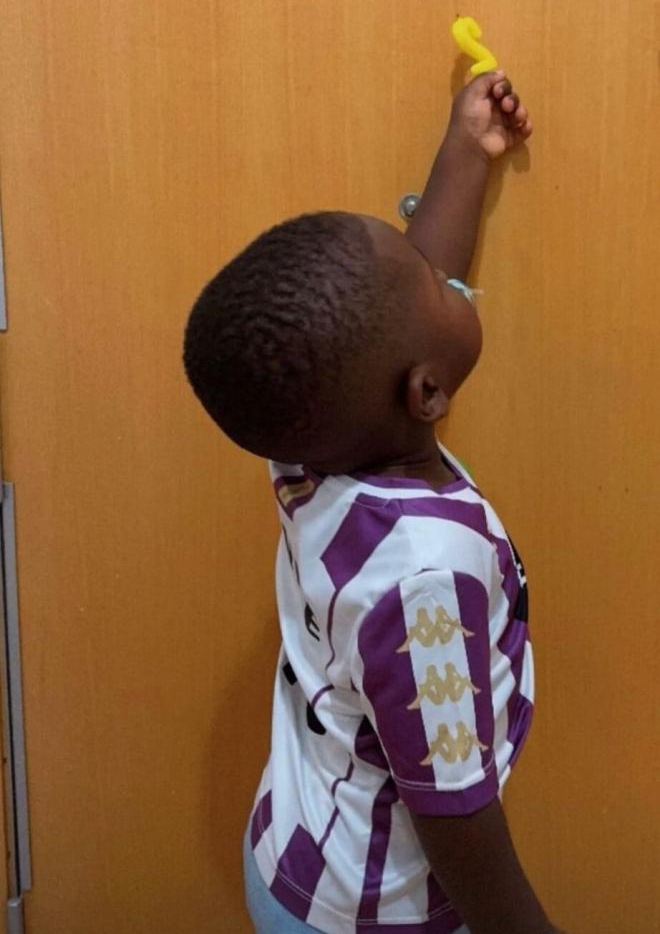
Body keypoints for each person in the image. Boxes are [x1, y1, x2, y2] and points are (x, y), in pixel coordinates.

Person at [182, 71, 569, 933]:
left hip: (295, 848)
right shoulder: (423, 581)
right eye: (437, 288)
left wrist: (465, 150)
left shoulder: (309, 432)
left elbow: (410, 295)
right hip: (366, 915)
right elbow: (455, 810)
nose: (443, 275)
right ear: (426, 392)